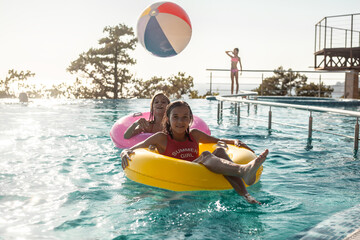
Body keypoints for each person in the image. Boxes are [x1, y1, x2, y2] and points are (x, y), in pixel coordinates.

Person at [121, 101, 269, 204]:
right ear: (168, 119)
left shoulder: (195, 134)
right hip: (178, 177)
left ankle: (246, 195)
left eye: (185, 117)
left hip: (198, 171)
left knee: (219, 150)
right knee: (205, 155)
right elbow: (133, 149)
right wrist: (124, 154)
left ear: (190, 119)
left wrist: (234, 141)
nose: (180, 121)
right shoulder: (161, 138)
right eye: (176, 117)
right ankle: (242, 170)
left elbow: (216, 140)